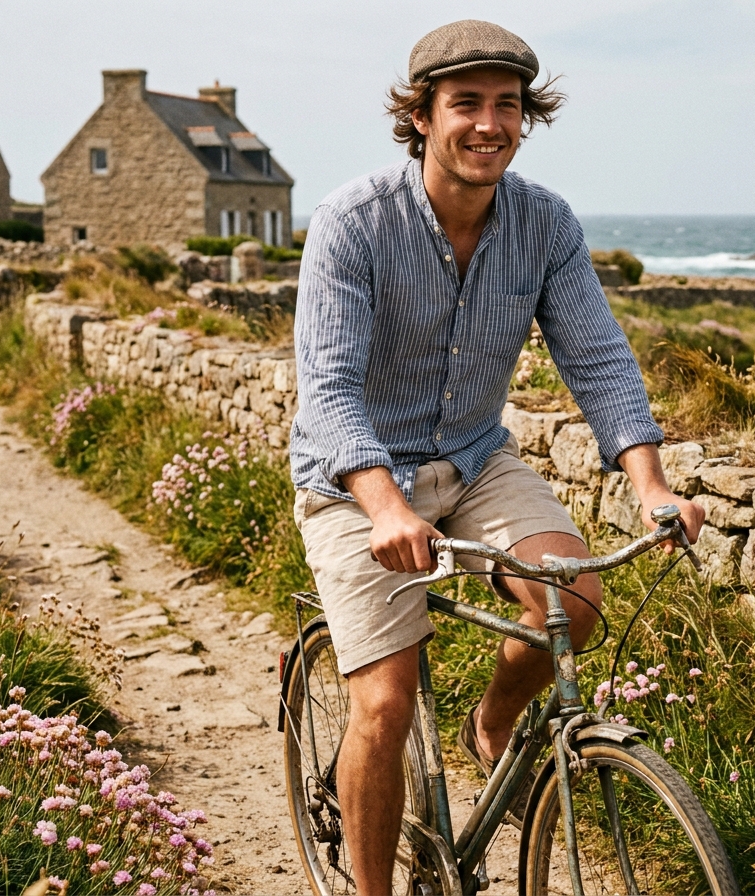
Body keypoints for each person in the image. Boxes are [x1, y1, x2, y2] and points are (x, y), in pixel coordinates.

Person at [290, 19, 705, 893]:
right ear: (421, 116)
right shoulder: (352, 223)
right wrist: (387, 506)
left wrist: (652, 486)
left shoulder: (545, 224)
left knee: (576, 599)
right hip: (355, 481)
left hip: (476, 460)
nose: (489, 124)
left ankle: (493, 723)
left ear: (528, 117)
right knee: (384, 702)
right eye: (466, 104)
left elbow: (595, 357)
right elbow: (326, 392)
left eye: (507, 106)